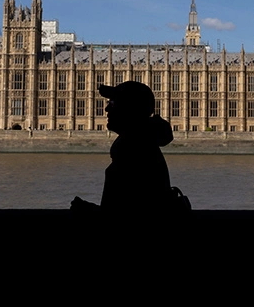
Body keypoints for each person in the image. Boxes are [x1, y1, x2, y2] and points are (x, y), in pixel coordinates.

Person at [71, 81, 177, 213]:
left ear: (129, 109)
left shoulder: (134, 150)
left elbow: (125, 216)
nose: (106, 109)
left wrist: (88, 211)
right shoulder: (141, 143)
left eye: (113, 103)